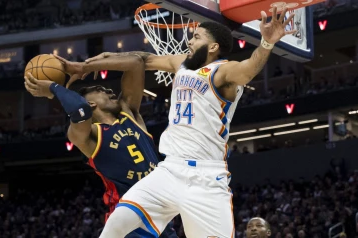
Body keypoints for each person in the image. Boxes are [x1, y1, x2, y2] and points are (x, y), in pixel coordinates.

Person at [60, 7, 296, 238]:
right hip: (170, 170)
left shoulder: (223, 72)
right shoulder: (182, 63)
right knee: (116, 224)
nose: (189, 41)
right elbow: (141, 59)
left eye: (196, 37)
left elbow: (248, 70)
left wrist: (266, 43)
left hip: (205, 178)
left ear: (213, 47)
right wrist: (86, 65)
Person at [24, 55, 177, 238]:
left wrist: (85, 67)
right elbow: (80, 110)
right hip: (129, 222)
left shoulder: (130, 114)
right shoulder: (88, 135)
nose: (110, 91)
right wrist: (52, 87)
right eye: (100, 89)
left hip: (161, 217)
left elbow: (136, 63)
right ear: (91, 103)